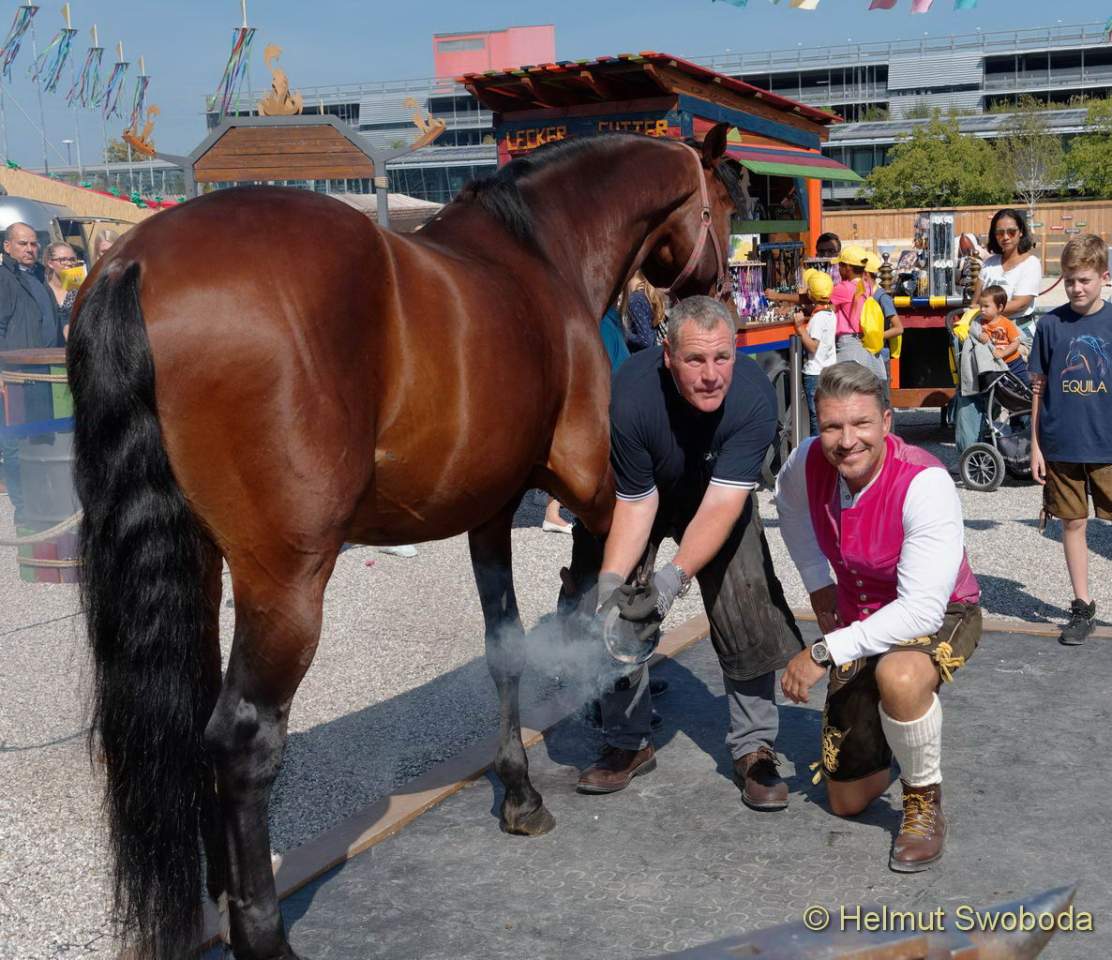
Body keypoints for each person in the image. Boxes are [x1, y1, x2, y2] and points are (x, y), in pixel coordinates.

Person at [577, 296, 804, 809]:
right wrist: (613, 586)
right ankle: (627, 740)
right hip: (648, 495)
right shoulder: (632, 393)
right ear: (668, 357)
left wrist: (672, 580)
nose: (711, 375)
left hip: (717, 497)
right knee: (612, 603)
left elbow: (722, 505)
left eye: (722, 357)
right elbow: (636, 502)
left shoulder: (753, 398)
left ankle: (753, 746)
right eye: (695, 360)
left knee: (744, 593)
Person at [775, 361, 981, 872]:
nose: (847, 441)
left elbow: (920, 610)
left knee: (900, 675)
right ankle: (901, 739)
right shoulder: (805, 461)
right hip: (859, 614)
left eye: (861, 423)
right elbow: (788, 506)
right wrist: (819, 586)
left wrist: (824, 650)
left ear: (887, 422)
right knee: (845, 800)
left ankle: (923, 800)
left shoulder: (925, 482)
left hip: (942, 611)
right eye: (832, 426)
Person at [1029, 234, 1112, 646]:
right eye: (1069, 280)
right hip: (1061, 442)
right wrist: (1035, 444)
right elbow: (1038, 388)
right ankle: (1082, 605)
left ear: (1104, 276)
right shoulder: (1049, 325)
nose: (1077, 288)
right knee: (1073, 522)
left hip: (1107, 443)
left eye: (1084, 280)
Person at [956, 209, 1043, 455]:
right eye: (1000, 232)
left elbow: (1022, 302)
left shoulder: (1031, 263)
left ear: (1021, 232)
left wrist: (988, 312)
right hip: (985, 336)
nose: (1005, 237)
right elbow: (977, 301)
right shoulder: (989, 264)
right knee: (972, 386)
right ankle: (972, 450)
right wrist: (975, 316)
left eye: (1011, 231)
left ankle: (1026, 450)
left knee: (1021, 392)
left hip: (1017, 333)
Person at [0, 222, 62, 524]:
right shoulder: (4, 279)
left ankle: (43, 505)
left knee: (41, 440)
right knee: (14, 446)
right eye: (23, 243)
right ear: (7, 246)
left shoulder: (37, 276)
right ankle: (24, 511)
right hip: (15, 377)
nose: (30, 249)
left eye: (34, 243)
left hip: (42, 374)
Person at [830, 245, 888, 384]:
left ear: (848, 268)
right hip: (865, 341)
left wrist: (780, 296)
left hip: (849, 343)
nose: (838, 268)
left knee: (845, 386)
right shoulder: (867, 286)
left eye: (840, 265)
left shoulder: (843, 288)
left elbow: (818, 297)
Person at [792, 270, 837, 437]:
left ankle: (817, 446)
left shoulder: (818, 319)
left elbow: (812, 347)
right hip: (828, 370)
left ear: (811, 294)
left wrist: (800, 327)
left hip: (815, 372)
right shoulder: (830, 314)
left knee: (816, 417)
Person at [973, 284, 1029, 386]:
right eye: (981, 306)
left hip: (1013, 362)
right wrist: (981, 335)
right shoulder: (980, 323)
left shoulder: (1006, 323)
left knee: (1025, 382)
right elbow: (975, 333)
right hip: (995, 365)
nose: (982, 309)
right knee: (1002, 387)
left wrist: (1003, 353)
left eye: (986, 306)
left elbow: (1015, 342)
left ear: (999, 307)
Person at [43, 242, 81, 341]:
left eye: (72, 259)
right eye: (62, 260)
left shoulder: (79, 289)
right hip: (48, 346)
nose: (68, 263)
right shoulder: (42, 288)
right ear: (50, 263)